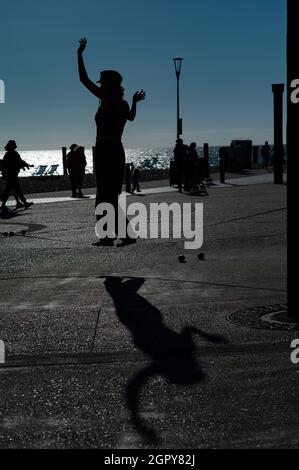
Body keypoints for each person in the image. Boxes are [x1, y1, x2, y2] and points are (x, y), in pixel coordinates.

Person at [77, 37, 145, 246]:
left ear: (108, 85)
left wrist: (79, 55)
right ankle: (117, 235)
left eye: (102, 82)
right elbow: (131, 118)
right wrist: (134, 102)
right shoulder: (122, 103)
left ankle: (114, 235)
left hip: (107, 150)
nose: (99, 85)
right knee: (108, 195)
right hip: (113, 150)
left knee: (104, 195)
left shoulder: (107, 99)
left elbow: (84, 80)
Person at [0, 140, 33, 212]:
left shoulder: (11, 154)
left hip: (12, 174)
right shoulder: (11, 154)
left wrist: (26, 165)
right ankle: (24, 202)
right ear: (10, 145)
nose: (14, 145)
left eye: (14, 144)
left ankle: (3, 205)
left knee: (11, 190)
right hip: (11, 174)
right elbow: (18, 162)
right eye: (12, 144)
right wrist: (26, 165)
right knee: (16, 189)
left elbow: (19, 161)